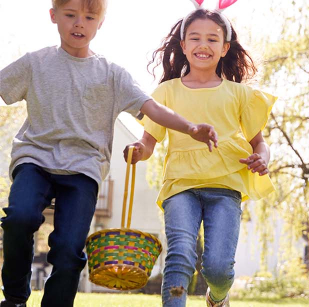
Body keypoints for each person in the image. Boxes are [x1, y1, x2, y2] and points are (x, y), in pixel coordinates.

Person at [0, 0, 218, 306]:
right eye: (70, 15)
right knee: (19, 218)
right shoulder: (35, 63)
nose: (80, 23)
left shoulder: (111, 75)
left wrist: (191, 127)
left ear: (100, 22)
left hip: (83, 169)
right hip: (34, 159)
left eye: (89, 17)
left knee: (68, 247)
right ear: (53, 16)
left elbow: (151, 108)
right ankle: (14, 298)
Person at [123, 1, 275, 306]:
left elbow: (260, 142)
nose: (202, 45)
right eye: (194, 37)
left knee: (218, 269)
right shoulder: (167, 91)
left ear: (224, 48)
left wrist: (263, 157)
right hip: (180, 185)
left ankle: (218, 296)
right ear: (182, 44)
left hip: (226, 186)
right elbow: (149, 143)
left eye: (212, 38)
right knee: (179, 255)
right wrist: (138, 151)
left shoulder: (240, 93)